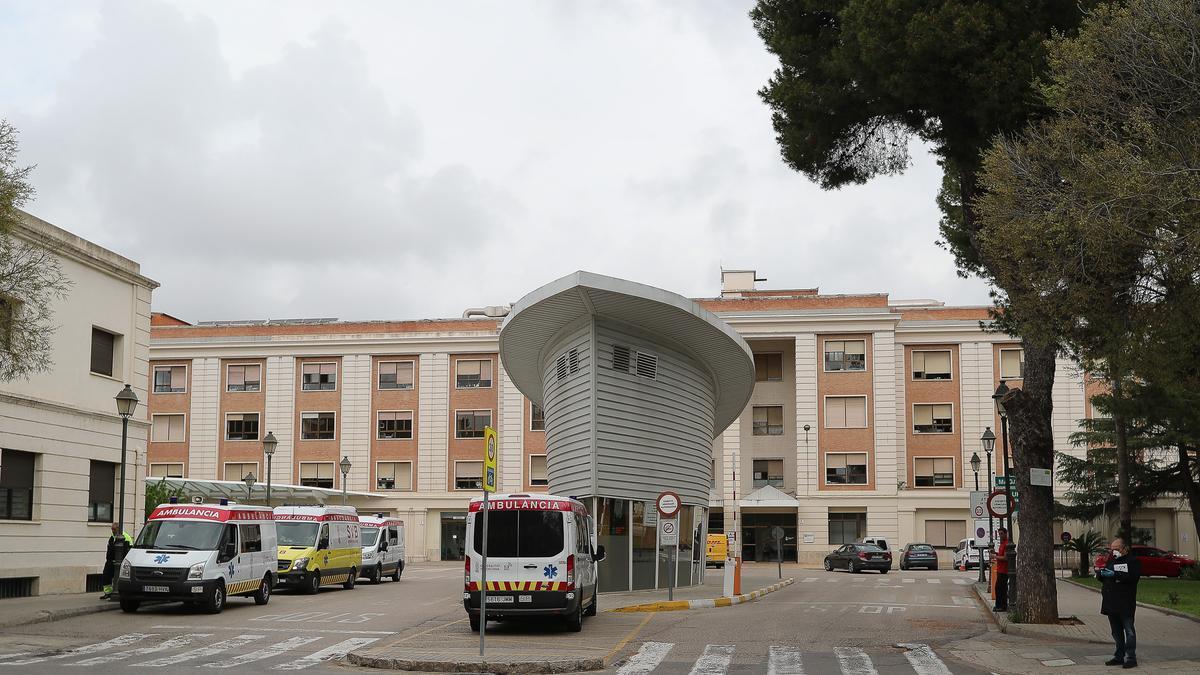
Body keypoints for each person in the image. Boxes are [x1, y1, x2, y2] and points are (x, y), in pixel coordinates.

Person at [1098, 537, 1141, 669]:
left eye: (1116, 549)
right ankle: (1119, 656)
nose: (1113, 552)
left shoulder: (1132, 561)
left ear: (1124, 549)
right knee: (1116, 632)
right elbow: (1106, 578)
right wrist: (1100, 574)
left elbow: (1133, 578)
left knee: (1129, 631)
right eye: (1112, 550)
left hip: (1125, 603)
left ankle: (1131, 658)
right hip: (1111, 603)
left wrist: (1115, 574)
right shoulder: (1111, 560)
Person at [101, 522, 133, 599]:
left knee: (119, 578)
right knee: (106, 576)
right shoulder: (112, 537)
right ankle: (107, 593)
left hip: (120, 562)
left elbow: (127, 551)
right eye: (112, 529)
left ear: (118, 529)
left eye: (114, 529)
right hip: (110, 560)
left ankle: (119, 593)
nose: (112, 530)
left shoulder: (126, 537)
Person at [992, 527, 1009, 612]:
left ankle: (1002, 606)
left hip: (1004, 570)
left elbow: (1005, 558)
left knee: (1001, 588)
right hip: (1000, 569)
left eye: (1002, 533)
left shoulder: (1007, 544)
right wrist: (996, 553)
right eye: (999, 534)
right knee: (998, 588)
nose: (1000, 536)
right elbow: (1001, 555)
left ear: (1006, 533)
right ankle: (998, 605)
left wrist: (995, 557)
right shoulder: (1002, 544)